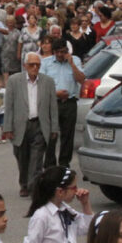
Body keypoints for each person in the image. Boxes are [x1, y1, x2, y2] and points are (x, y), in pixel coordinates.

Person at [3, 52, 58, 197]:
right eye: (32, 65)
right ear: (25, 65)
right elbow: (8, 106)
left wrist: (54, 128)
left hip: (39, 125)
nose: (35, 67)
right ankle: (24, 183)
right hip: (20, 125)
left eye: (37, 65)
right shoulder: (14, 81)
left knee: (37, 159)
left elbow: (53, 107)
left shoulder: (48, 82)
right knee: (22, 156)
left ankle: (34, 187)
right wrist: (7, 127)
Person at [40, 37, 84, 168]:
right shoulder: (46, 63)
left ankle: (64, 164)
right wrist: (56, 93)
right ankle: (50, 165)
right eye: (57, 52)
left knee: (68, 135)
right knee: (51, 135)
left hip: (70, 102)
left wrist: (72, 64)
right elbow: (41, 85)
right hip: (52, 102)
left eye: (63, 52)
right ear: (53, 51)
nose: (60, 55)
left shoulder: (75, 60)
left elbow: (81, 80)